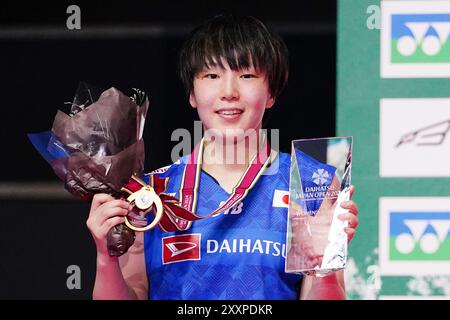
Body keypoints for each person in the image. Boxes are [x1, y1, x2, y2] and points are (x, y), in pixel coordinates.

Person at [86, 14, 359, 300]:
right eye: (212, 76)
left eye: (246, 75)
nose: (229, 92)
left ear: (271, 92)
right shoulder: (148, 195)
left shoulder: (309, 185)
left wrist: (326, 264)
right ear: (192, 93)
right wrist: (106, 257)